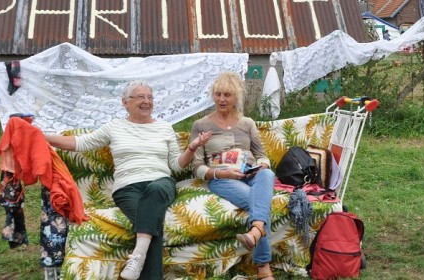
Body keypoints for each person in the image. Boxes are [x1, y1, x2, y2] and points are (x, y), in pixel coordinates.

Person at [44, 81, 212, 280]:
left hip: (161, 183)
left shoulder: (164, 128)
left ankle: (137, 256)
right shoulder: (114, 127)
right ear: (125, 102)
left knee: (156, 191)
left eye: (150, 97)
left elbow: (176, 165)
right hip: (127, 188)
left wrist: (191, 148)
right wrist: (42, 136)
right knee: (150, 225)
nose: (146, 101)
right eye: (140, 97)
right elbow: (81, 143)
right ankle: (142, 259)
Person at [189, 71, 276, 280]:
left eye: (227, 95)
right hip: (223, 177)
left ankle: (254, 232)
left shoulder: (247, 123)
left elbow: (261, 155)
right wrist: (220, 172)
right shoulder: (201, 125)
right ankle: (264, 268)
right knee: (259, 204)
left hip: (250, 172)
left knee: (268, 175)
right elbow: (197, 166)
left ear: (236, 97)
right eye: (218, 94)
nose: (221, 99)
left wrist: (262, 165)